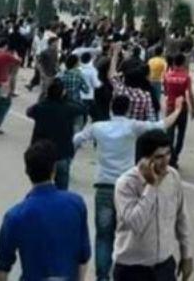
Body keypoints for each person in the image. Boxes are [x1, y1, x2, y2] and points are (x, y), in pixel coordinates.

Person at [72, 95, 184, 281]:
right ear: (127, 110)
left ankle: (102, 277)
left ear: (110, 108)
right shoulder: (132, 127)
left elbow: (77, 138)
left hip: (105, 187)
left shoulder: (99, 127)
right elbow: (161, 125)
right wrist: (178, 110)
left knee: (103, 237)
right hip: (130, 189)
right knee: (127, 235)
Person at [0, 140, 91, 281]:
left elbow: (1, 270)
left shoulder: (15, 216)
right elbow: (83, 257)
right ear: (54, 169)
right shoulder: (76, 204)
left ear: (27, 171)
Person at [113, 130, 194, 281]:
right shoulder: (125, 184)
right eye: (159, 157)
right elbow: (136, 224)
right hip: (132, 270)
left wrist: (186, 254)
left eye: (168, 154)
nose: (165, 162)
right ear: (144, 159)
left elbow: (181, 217)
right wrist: (152, 185)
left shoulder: (173, 177)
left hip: (164, 267)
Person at [26, 79, 88, 191]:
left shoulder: (41, 107)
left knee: (40, 188)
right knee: (62, 189)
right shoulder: (68, 108)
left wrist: (45, 99)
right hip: (62, 153)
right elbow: (82, 108)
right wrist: (67, 98)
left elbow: (29, 112)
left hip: (42, 153)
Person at [163, 54, 194, 167]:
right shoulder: (186, 77)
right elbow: (190, 94)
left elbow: (166, 91)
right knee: (181, 134)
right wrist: (193, 109)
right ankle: (175, 155)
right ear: (182, 63)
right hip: (182, 108)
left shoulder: (167, 76)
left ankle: (170, 156)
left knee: (169, 135)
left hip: (170, 107)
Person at [0, 38, 21, 133]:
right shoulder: (7, 56)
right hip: (3, 83)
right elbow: (18, 61)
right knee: (5, 103)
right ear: (5, 46)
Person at [79, 51, 103, 122]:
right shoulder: (92, 70)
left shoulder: (79, 69)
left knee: (81, 114)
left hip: (79, 95)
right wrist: (101, 83)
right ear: (90, 59)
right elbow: (96, 84)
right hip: (88, 96)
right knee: (89, 114)